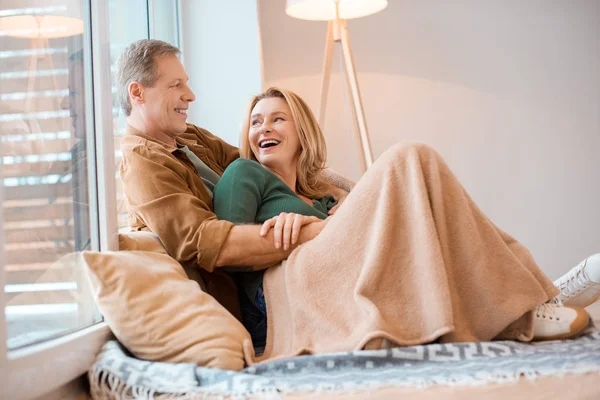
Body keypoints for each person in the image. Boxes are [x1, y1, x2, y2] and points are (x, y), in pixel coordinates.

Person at [117, 39, 599, 363]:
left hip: (308, 252)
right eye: (176, 85)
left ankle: (537, 294)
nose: (191, 94)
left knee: (422, 186)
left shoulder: (192, 140)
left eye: (278, 120)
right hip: (279, 284)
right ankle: (529, 303)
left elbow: (250, 155)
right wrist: (317, 228)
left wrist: (341, 203)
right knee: (409, 157)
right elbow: (208, 242)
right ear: (138, 92)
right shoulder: (142, 161)